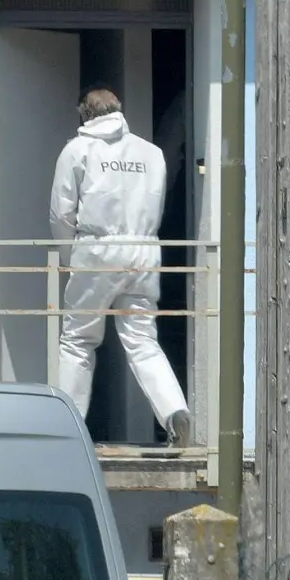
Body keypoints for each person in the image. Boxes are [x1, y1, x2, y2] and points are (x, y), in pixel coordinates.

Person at [48, 88, 194, 447]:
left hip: (96, 250)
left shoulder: (77, 150)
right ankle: (175, 412)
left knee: (78, 340)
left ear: (84, 114)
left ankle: (69, 428)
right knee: (143, 341)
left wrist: (71, 259)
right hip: (144, 250)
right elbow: (160, 200)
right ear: (119, 111)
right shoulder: (152, 153)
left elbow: (61, 213)